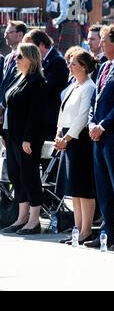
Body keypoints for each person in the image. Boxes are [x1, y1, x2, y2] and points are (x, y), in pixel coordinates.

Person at [85, 24, 114, 250]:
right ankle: (107, 231)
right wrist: (92, 122)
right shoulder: (103, 66)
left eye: (104, 41)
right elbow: (96, 100)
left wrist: (103, 125)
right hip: (97, 136)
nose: (100, 44)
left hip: (112, 134)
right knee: (102, 186)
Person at [0, 43, 47, 235]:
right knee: (16, 176)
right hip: (12, 136)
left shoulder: (37, 81)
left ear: (30, 58)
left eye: (20, 57)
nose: (16, 60)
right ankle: (21, 218)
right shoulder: (19, 78)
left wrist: (28, 138)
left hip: (26, 139)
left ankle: (34, 220)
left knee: (30, 177)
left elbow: (36, 114)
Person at [55, 48, 96, 245]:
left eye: (73, 63)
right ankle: (78, 229)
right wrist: (58, 134)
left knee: (84, 187)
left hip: (79, 140)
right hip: (67, 138)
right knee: (74, 189)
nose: (69, 66)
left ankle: (86, 230)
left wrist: (68, 137)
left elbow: (82, 116)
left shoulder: (89, 87)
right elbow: (63, 111)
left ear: (84, 67)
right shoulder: (73, 86)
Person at [22, 29, 69, 142]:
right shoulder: (42, 60)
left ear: (42, 45)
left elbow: (46, 88)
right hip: (41, 117)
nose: (30, 51)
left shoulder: (57, 61)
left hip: (50, 119)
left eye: (32, 47)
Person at [0, 21, 27, 134]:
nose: (5, 35)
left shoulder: (25, 57)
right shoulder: (8, 58)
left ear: (20, 35)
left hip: (16, 113)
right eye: (5, 32)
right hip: (4, 112)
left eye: (9, 32)